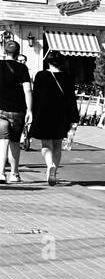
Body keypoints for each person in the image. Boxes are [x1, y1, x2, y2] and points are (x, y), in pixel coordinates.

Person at [29, 50, 78, 186]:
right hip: (62, 115)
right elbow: (71, 99)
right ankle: (54, 171)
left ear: (48, 62)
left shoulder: (41, 75)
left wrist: (32, 113)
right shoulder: (68, 77)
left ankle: (49, 165)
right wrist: (74, 118)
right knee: (57, 144)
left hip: (44, 114)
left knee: (46, 145)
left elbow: (36, 96)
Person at [0, 40, 33, 183]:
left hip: (0, 109)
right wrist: (30, 110)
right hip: (17, 110)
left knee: (2, 141)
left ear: (4, 51)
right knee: (14, 142)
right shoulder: (22, 68)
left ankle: (1, 173)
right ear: (18, 53)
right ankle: (14, 173)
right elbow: (28, 90)